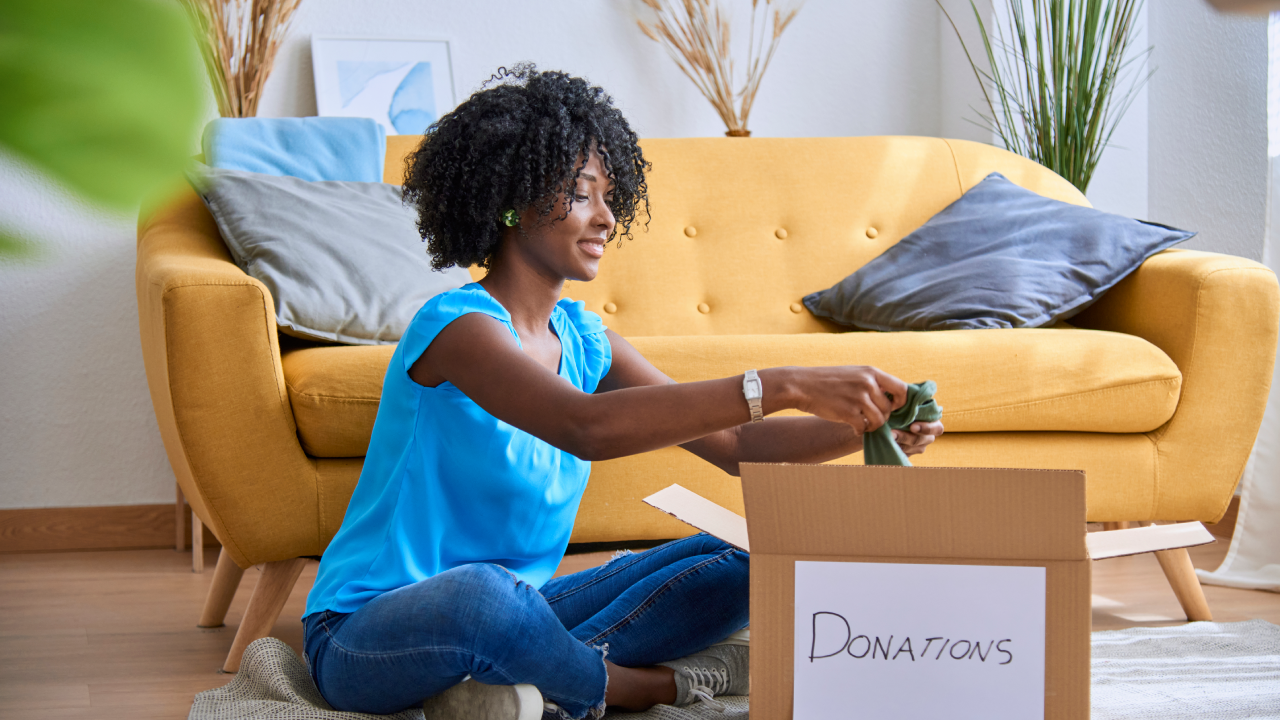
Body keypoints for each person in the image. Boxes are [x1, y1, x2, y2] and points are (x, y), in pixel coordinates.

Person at [301, 64, 944, 720]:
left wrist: (868, 428)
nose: (608, 218)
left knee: (753, 551)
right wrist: (786, 382)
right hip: (364, 633)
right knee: (484, 599)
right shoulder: (458, 329)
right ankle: (647, 686)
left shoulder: (583, 339)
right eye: (583, 194)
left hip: (530, 610)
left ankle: (514, 682)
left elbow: (738, 446)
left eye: (612, 196)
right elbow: (585, 426)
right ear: (512, 201)